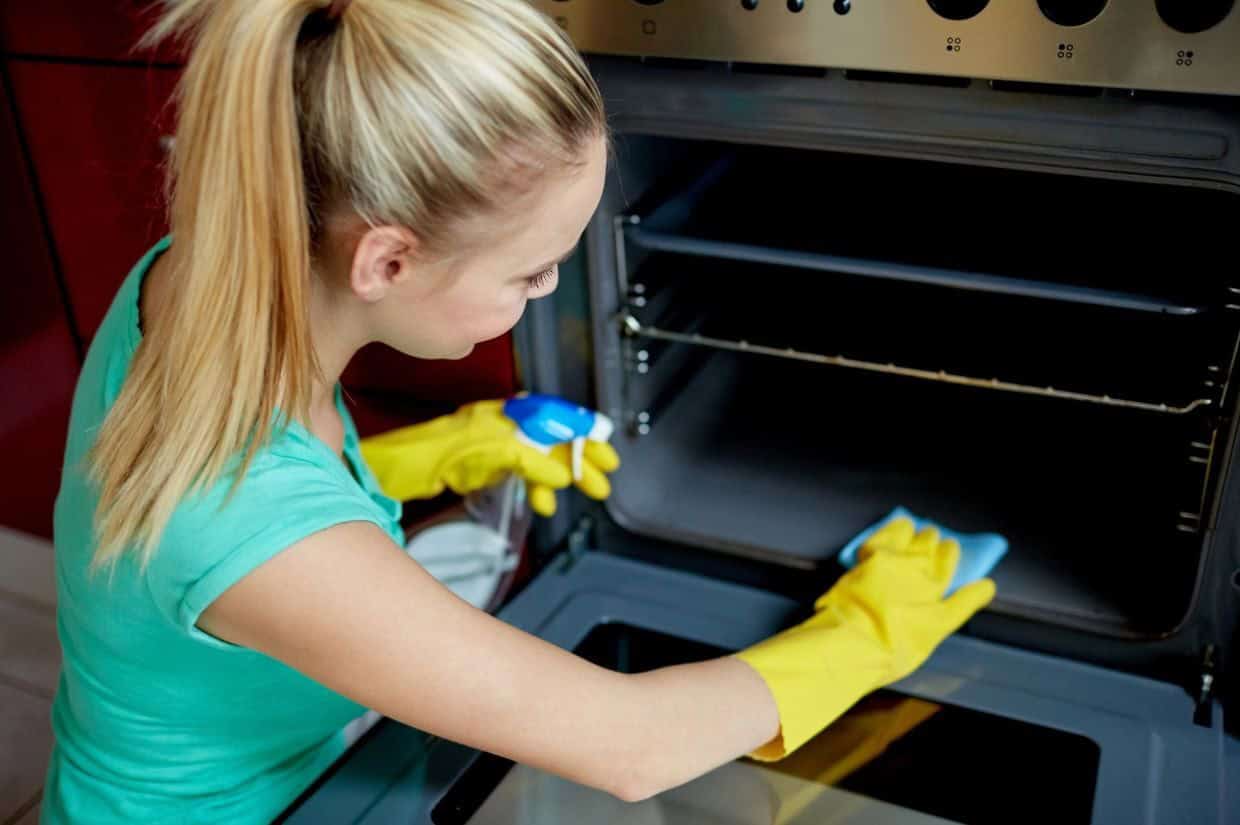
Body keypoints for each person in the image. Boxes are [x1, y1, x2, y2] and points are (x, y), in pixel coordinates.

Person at [40, 1, 996, 822]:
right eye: (529, 270)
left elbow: (279, 494)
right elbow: (632, 745)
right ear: (386, 261)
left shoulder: (199, 281)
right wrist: (869, 634)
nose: (547, 293)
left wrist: (462, 447)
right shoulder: (249, 528)